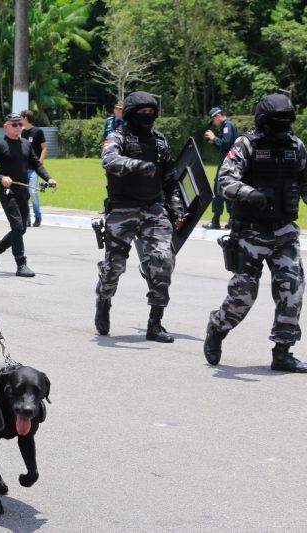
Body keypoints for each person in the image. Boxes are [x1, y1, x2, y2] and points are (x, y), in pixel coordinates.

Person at [203, 93, 307, 373]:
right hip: (250, 232)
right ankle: (217, 326)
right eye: (277, 121)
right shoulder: (246, 144)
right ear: (264, 120)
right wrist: (252, 194)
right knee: (244, 295)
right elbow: (225, 181)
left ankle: (283, 352)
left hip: (284, 231)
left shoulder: (295, 147)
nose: (282, 126)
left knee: (292, 291)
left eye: (286, 120)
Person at [94, 91, 186, 342]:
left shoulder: (159, 142)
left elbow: (170, 180)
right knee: (114, 268)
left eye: (151, 113)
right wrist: (137, 165)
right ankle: (103, 301)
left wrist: (177, 209)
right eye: (142, 113)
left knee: (163, 262)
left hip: (154, 209)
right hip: (123, 208)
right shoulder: (117, 137)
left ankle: (155, 323)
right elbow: (109, 160)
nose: (147, 117)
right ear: (131, 114)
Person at [0, 112, 58, 277]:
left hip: (22, 191)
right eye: (14, 124)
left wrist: (49, 178)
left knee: (22, 228)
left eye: (20, 124)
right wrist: (1, 177)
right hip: (7, 192)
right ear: (6, 126)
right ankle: (21, 264)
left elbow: (37, 164)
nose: (18, 127)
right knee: (17, 226)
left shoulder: (26, 144)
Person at [202, 106, 240, 229]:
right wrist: (214, 142)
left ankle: (215, 221)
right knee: (228, 189)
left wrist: (214, 138)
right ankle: (232, 220)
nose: (213, 123)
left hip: (227, 163)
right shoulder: (227, 126)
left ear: (218, 116)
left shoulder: (227, 126)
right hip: (230, 163)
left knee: (219, 189)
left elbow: (226, 143)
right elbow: (223, 145)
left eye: (213, 120)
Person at [20, 110, 47, 227]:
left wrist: (39, 163)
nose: (19, 120)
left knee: (32, 191)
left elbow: (44, 148)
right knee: (24, 193)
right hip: (23, 168)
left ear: (25, 118)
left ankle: (38, 216)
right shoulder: (23, 133)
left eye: (21, 118)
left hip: (34, 168)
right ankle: (27, 218)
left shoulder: (38, 131)